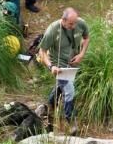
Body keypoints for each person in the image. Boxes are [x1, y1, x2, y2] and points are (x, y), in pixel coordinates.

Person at [37, 7, 90, 135]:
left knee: (62, 87)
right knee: (69, 90)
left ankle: (48, 107)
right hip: (59, 66)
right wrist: (51, 66)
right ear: (63, 20)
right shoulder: (53, 30)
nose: (74, 26)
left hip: (73, 64)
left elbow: (87, 37)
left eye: (75, 22)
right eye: (71, 24)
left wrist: (81, 54)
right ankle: (70, 121)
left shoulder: (80, 23)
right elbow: (42, 51)